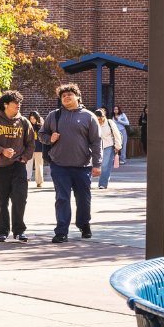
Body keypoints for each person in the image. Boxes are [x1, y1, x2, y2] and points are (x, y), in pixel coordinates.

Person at [41, 83, 101, 244]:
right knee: (62, 198)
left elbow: (96, 142)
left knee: (83, 198)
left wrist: (97, 164)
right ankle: (61, 231)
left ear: (77, 97)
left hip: (82, 166)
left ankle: (84, 224)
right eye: (63, 95)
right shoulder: (53, 115)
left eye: (70, 94)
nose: (66, 97)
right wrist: (49, 138)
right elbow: (42, 134)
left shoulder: (88, 116)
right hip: (59, 165)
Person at [0, 91, 35, 242]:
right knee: (1, 201)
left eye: (19, 102)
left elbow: (31, 143)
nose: (18, 105)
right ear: (6, 105)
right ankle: (2, 230)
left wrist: (24, 158)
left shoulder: (24, 122)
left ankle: (19, 231)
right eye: (15, 102)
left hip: (18, 166)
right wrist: (2, 151)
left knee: (20, 198)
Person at [93, 109, 122, 190]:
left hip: (108, 146)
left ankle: (103, 184)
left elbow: (117, 134)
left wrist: (118, 146)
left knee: (105, 165)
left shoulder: (109, 122)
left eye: (100, 118)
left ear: (103, 117)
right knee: (93, 164)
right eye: (97, 119)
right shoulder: (94, 123)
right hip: (97, 146)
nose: (99, 120)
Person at [27, 111, 44, 187]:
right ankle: (26, 179)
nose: (32, 120)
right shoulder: (28, 126)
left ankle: (39, 182)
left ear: (37, 118)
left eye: (34, 118)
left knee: (39, 165)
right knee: (27, 164)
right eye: (31, 118)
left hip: (39, 148)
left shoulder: (41, 127)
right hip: (29, 148)